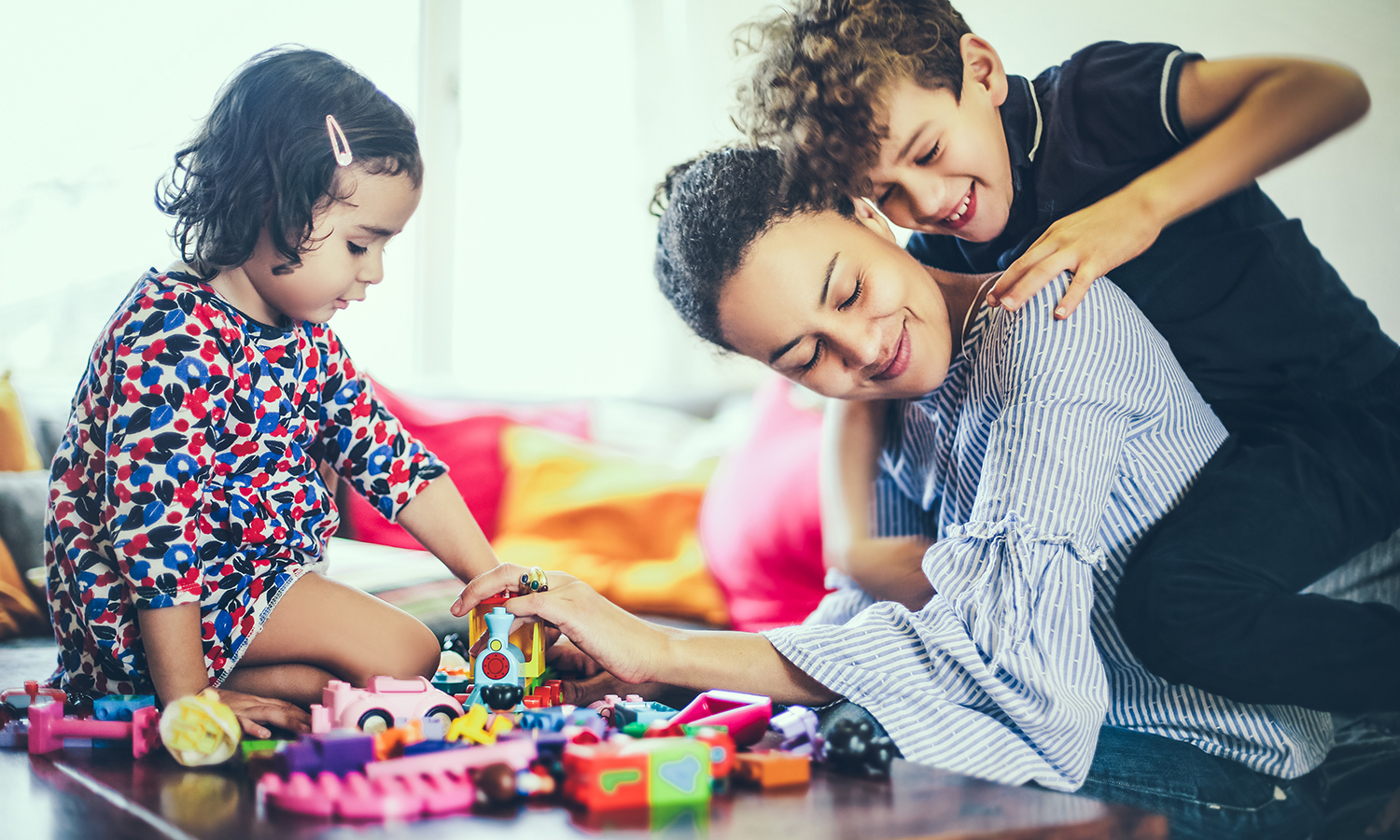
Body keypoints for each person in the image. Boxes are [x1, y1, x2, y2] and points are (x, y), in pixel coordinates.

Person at [454, 147, 1335, 839]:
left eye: (849, 290)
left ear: (870, 215)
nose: (861, 347)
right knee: (724, 755)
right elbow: (853, 624)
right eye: (805, 355)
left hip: (1226, 765)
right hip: (1086, 731)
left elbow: (1005, 669)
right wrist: (661, 673)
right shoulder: (902, 394)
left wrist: (667, 649)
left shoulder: (1052, 329)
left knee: (819, 790)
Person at [736, 0, 1400, 713]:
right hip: (1229, 459)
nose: (927, 199)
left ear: (982, 73)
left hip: (1343, 413)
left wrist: (1139, 209)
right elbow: (868, 390)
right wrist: (851, 545)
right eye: (886, 192)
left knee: (1174, 604)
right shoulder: (936, 254)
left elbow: (1329, 92)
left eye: (928, 152)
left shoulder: (1093, 103)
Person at [43, 47, 501, 738]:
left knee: (374, 681)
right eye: (358, 244)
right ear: (269, 202)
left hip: (253, 594)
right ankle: (162, 693)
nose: (374, 272)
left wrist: (492, 577)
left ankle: (197, 691)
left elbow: (391, 460)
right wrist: (187, 700)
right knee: (409, 654)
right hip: (150, 613)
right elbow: (153, 535)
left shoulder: (307, 339)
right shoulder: (172, 335)